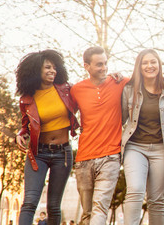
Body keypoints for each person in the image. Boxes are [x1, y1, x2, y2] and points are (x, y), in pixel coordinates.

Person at [15, 50, 78, 225]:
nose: (53, 71)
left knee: (54, 206)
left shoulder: (67, 90)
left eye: (55, 67)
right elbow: (25, 126)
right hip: (38, 154)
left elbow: (89, 93)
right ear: (36, 70)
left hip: (63, 153)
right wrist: (20, 135)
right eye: (47, 67)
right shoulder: (27, 99)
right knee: (29, 202)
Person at [70, 46, 130, 225]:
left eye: (105, 63)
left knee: (99, 208)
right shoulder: (77, 90)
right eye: (99, 65)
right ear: (86, 66)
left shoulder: (119, 82)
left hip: (110, 157)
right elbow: (63, 113)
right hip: (83, 159)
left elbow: (147, 79)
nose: (104, 68)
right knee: (87, 214)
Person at [121, 49, 164, 225]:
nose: (149, 66)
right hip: (135, 147)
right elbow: (120, 119)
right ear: (139, 66)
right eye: (145, 63)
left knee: (156, 200)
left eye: (153, 62)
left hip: (163, 148)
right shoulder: (129, 90)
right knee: (135, 190)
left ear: (159, 65)